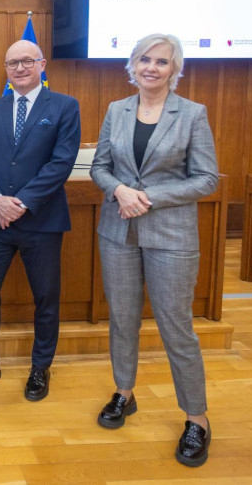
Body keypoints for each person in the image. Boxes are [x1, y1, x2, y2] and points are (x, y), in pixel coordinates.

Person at [90, 33, 219, 467]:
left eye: (162, 62)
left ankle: (196, 419)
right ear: (132, 65)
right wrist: (120, 190)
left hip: (171, 236)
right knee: (123, 320)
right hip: (119, 233)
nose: (152, 67)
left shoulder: (193, 114)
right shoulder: (116, 110)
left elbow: (207, 179)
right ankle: (124, 393)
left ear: (174, 70)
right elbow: (100, 167)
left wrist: (149, 197)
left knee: (175, 328)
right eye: (144, 59)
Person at [0, 39, 80, 402]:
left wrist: (22, 203)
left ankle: (40, 368)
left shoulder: (64, 107)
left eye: (27, 61)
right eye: (13, 63)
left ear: (42, 64)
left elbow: (61, 162)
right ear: (6, 69)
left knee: (45, 297)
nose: (20, 68)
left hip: (42, 222)